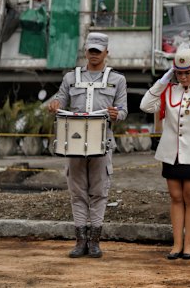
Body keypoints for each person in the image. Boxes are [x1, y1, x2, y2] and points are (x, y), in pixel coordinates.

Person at [48, 32, 128, 258]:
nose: (93, 55)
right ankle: (80, 240)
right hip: (74, 143)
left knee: (99, 192)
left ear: (106, 53)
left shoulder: (117, 80)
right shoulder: (70, 78)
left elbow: (123, 110)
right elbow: (60, 100)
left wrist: (117, 114)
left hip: (103, 142)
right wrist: (54, 104)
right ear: (85, 51)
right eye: (90, 50)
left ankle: (95, 241)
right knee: (77, 192)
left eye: (98, 51)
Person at [140, 47, 190, 260]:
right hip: (172, 154)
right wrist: (162, 82)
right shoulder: (169, 90)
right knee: (176, 197)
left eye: (187, 72)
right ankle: (176, 244)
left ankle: (189, 244)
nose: (183, 77)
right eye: (179, 73)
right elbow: (146, 105)